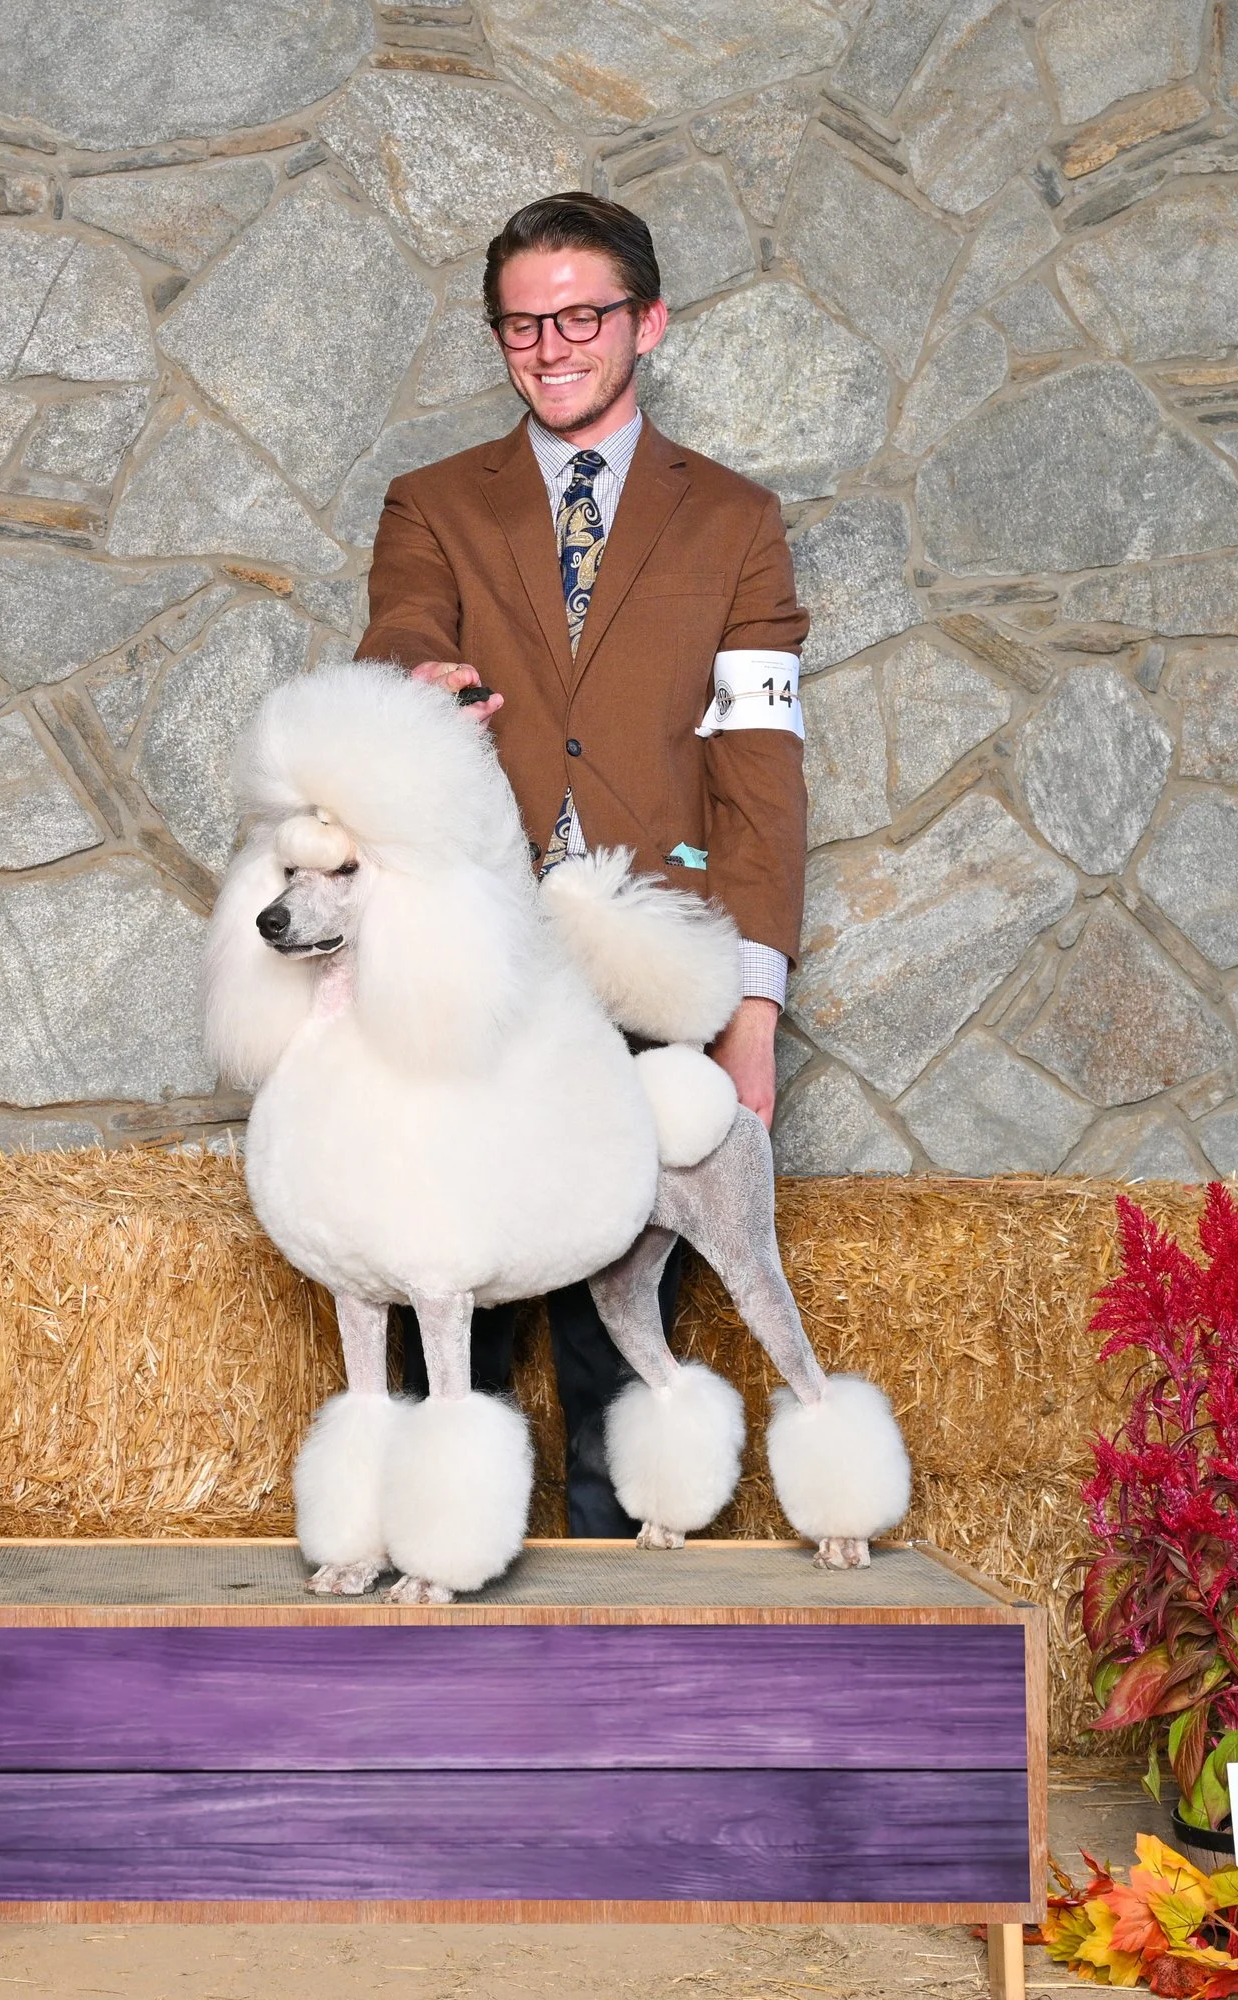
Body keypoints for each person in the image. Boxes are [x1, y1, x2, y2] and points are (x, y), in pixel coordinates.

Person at [355, 191, 810, 1537]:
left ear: (647, 323)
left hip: (652, 971)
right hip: (472, 974)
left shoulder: (735, 522)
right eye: (521, 325)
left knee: (626, 1334)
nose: (551, 347)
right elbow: (394, 629)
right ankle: (455, 1583)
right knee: (460, 1317)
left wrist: (754, 1011)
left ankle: (630, 1623)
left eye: (582, 317)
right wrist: (411, 680)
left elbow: (759, 768)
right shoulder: (432, 502)